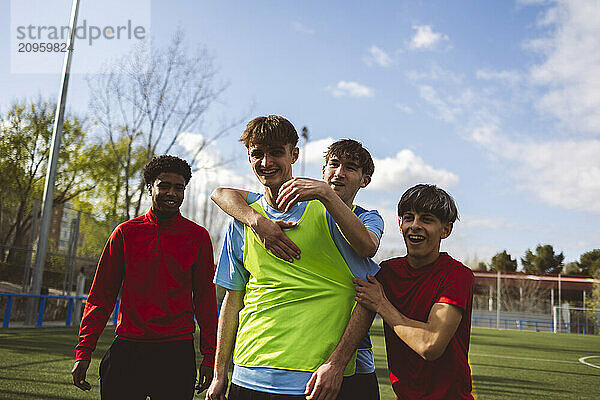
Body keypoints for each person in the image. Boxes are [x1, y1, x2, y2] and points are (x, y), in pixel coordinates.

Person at [205, 116, 383, 400]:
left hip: (312, 382)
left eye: (276, 152)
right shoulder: (242, 218)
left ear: (294, 154)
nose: (266, 162)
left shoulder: (342, 219)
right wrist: (219, 374)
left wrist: (336, 364)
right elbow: (233, 298)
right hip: (246, 374)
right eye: (257, 154)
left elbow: (368, 291)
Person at [71, 155, 217, 399]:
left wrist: (210, 355)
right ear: (150, 187)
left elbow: (204, 300)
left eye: (179, 187)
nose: (172, 193)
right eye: (164, 185)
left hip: (176, 353)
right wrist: (84, 351)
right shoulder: (125, 233)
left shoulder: (198, 237)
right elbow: (101, 296)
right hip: (128, 348)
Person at [354, 184, 474, 399]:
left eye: (426, 219)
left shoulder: (457, 275)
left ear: (445, 229)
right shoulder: (386, 273)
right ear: (400, 224)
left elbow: (430, 345)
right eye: (409, 217)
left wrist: (382, 305)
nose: (415, 226)